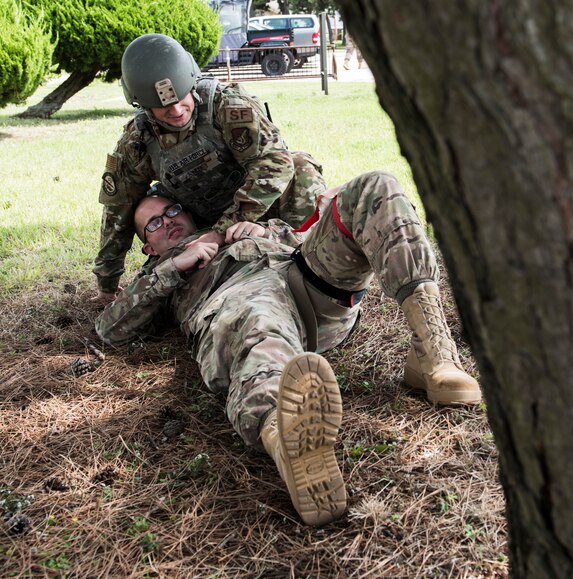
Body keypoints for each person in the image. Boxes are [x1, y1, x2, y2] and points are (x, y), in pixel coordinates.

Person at [95, 171, 482, 526]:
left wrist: (317, 214)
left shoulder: (236, 229)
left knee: (374, 187)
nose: (169, 221)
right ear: (147, 247)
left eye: (171, 210)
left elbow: (312, 239)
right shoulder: (155, 275)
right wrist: (175, 267)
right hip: (244, 302)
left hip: (310, 284)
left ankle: (434, 356)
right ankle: (288, 440)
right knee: (255, 320)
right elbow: (111, 328)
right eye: (155, 224)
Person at [93, 33, 323, 302]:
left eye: (181, 98)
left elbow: (275, 163)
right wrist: (107, 284)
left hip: (263, 207)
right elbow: (118, 210)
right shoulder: (137, 143)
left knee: (300, 165)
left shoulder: (228, 106)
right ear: (143, 106)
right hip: (203, 225)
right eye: (162, 106)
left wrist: (228, 226)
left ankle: (313, 252)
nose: (177, 111)